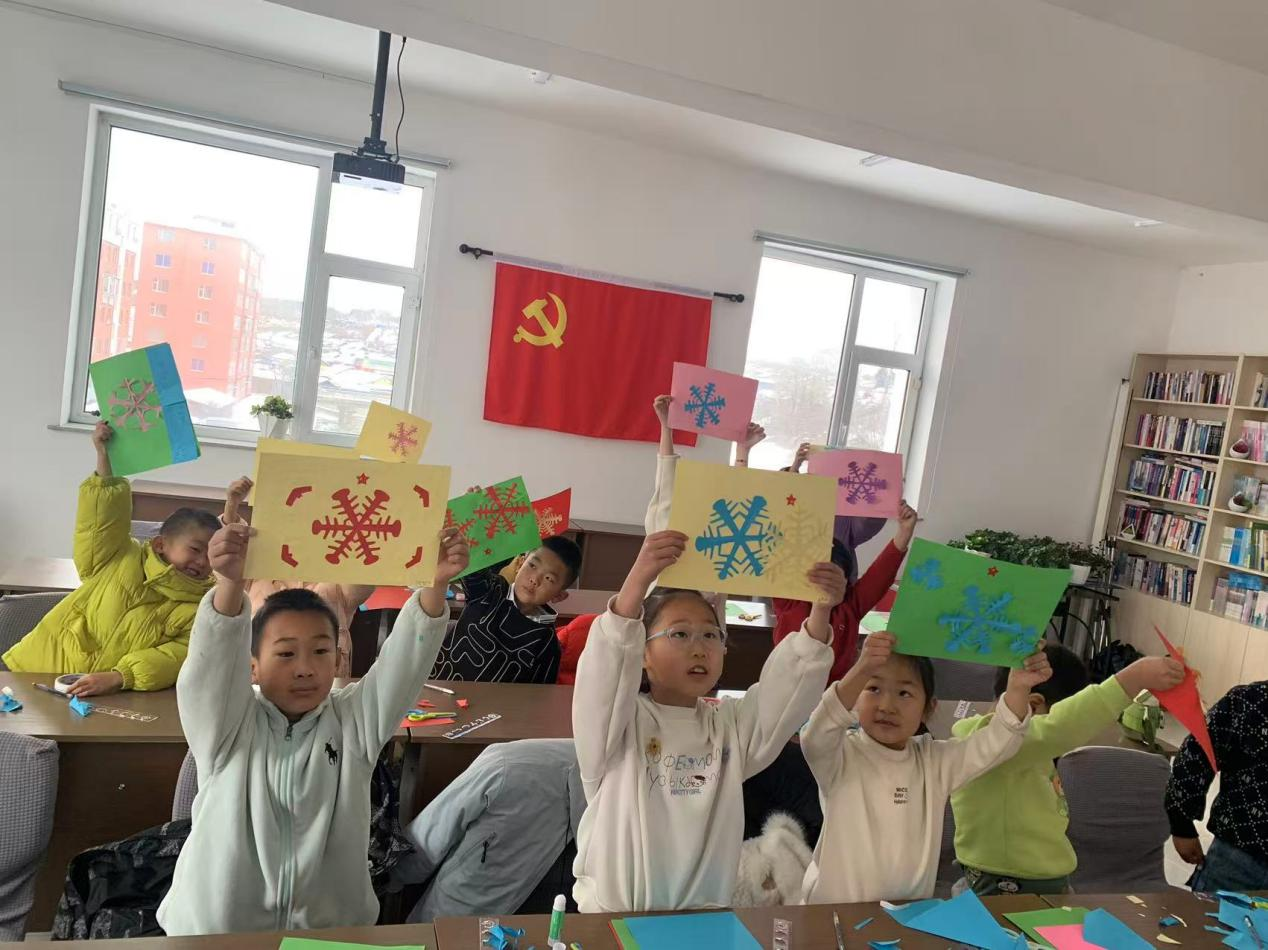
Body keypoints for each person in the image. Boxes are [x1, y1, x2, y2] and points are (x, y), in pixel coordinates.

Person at [156, 521, 468, 935]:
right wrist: (229, 584)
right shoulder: (227, 725)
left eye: (321, 651)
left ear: (337, 659)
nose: (305, 668)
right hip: (217, 932)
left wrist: (435, 586)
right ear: (253, 667)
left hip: (327, 932)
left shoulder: (353, 724)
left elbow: (403, 666)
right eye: (286, 654)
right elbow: (209, 667)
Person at [570, 529, 838, 912]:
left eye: (711, 635)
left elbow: (787, 691)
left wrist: (821, 610)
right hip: (615, 919)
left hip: (704, 919)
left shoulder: (728, 728)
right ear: (641, 652)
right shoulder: (618, 725)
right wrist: (640, 577)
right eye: (679, 633)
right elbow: (605, 670)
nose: (699, 648)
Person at [800, 630, 1050, 904]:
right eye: (873, 688)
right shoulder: (839, 756)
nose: (887, 705)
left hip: (908, 916)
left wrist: (1018, 687)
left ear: (928, 708)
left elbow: (995, 743)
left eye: (904, 693)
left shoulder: (934, 762)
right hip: (833, 913)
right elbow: (816, 733)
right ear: (856, 698)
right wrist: (862, 668)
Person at [2, 421, 219, 695]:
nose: (202, 562)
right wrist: (105, 458)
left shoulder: (201, 605)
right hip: (30, 671)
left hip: (101, 695)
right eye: (196, 550)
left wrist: (119, 676)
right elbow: (101, 522)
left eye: (212, 555)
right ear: (160, 544)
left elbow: (175, 657)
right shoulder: (122, 556)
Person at [951, 646, 1185, 895]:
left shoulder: (1018, 749)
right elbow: (1063, 726)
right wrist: (1133, 678)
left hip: (1033, 877)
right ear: (1034, 705)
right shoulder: (995, 744)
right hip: (1009, 882)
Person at [219, 476, 373, 678]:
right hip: (260, 688)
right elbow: (230, 561)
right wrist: (232, 505)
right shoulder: (256, 575)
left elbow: (367, 569)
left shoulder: (337, 584)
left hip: (323, 689)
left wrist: (363, 521)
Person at [772, 504, 917, 683]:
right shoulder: (790, 600)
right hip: (785, 688)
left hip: (834, 694)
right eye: (819, 577)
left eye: (832, 579)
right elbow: (774, 553)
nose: (824, 586)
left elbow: (879, 575)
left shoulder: (851, 606)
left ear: (846, 582)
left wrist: (904, 532)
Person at [431, 529, 582, 683]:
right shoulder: (491, 589)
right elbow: (471, 563)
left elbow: (541, 693)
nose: (535, 579)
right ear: (520, 564)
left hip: (493, 700)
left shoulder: (547, 644)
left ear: (559, 596)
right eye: (532, 565)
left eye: (549, 578)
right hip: (437, 687)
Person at [1166, 679, 1268, 892]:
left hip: (1238, 855)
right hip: (1239, 856)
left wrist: (1181, 825)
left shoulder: (1250, 699)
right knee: (1209, 911)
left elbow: (1194, 756)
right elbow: (1197, 755)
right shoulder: (1250, 701)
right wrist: (1181, 825)